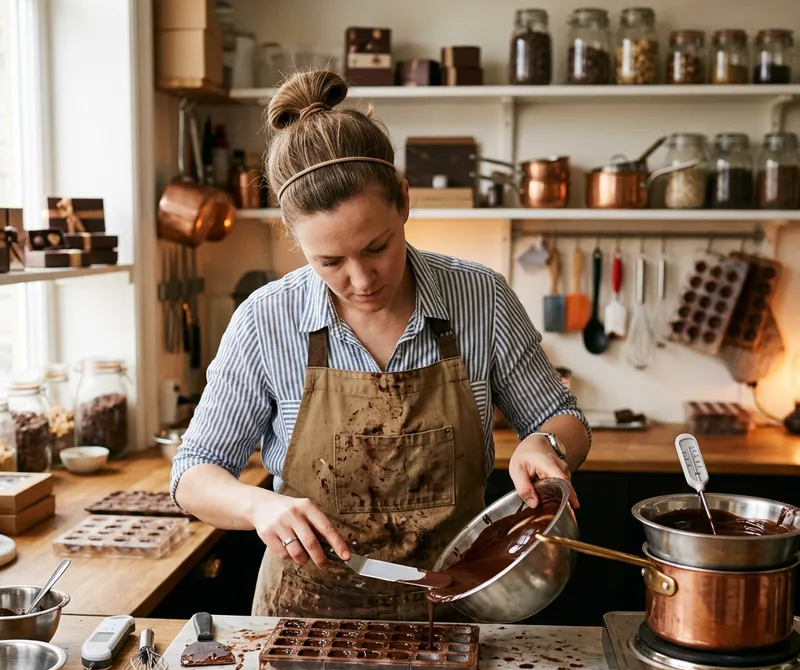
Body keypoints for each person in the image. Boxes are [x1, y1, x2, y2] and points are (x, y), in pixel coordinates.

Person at [171, 70, 591, 620]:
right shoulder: (264, 321)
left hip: (455, 612)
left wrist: (547, 447)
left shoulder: (480, 297)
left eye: (377, 247)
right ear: (294, 239)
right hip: (305, 623)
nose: (362, 279)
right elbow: (194, 473)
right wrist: (257, 504)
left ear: (404, 203)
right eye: (330, 262)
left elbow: (564, 418)